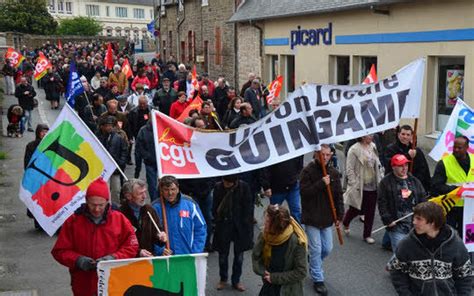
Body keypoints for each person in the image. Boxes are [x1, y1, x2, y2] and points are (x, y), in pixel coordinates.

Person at [51, 178, 139, 296]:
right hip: (83, 284)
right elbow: (59, 251)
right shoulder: (73, 221)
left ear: (108, 202)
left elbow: (132, 245)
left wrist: (114, 258)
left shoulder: (119, 219)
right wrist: (78, 260)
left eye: (101, 205)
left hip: (113, 281)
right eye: (93, 205)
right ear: (86, 201)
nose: (97, 209)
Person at [388, 202, 472, 295]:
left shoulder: (455, 244)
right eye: (414, 218)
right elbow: (396, 270)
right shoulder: (407, 243)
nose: (414, 222)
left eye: (419, 219)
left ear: (432, 222)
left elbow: (465, 274)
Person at [300, 144, 344, 295]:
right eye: (322, 154)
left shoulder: (334, 173)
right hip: (312, 217)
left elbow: (338, 195)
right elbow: (305, 193)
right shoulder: (307, 171)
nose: (325, 157)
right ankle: (318, 279)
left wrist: (339, 216)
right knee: (317, 249)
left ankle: (313, 261)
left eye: (328, 155)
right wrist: (321, 184)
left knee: (327, 248)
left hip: (326, 217)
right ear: (316, 154)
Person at [252, 204, 308, 296]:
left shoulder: (297, 242)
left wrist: (274, 278)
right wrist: (262, 271)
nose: (264, 224)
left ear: (276, 227)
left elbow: (301, 272)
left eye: (267, 222)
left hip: (287, 289)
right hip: (269, 285)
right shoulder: (265, 235)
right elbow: (256, 256)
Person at [212, 175, 254, 292]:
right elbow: (215, 206)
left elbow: (248, 208)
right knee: (222, 256)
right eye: (224, 182)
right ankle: (223, 278)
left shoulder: (244, 187)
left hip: (239, 226)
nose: (225, 184)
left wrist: (246, 225)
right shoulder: (218, 187)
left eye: (228, 183)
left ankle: (236, 280)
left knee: (239, 257)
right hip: (223, 226)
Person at [377, 154, 427, 253]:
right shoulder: (385, 183)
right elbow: (382, 203)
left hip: (414, 226)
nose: (404, 168)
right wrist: (388, 219)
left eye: (406, 165)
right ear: (393, 167)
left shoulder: (414, 181)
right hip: (397, 226)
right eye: (400, 166)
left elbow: (422, 198)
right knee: (401, 254)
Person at [343, 135, 384, 244]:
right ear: (362, 136)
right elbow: (349, 168)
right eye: (368, 134)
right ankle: (346, 221)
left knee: (370, 211)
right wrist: (353, 182)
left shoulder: (373, 146)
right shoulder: (354, 149)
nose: (371, 136)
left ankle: (367, 235)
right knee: (356, 209)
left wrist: (381, 175)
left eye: (372, 134)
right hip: (359, 185)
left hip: (372, 184)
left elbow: (377, 163)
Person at [153, 175, 207, 255]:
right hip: (165, 259)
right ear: (161, 190)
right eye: (166, 190)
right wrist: (159, 250)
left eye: (173, 189)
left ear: (178, 189)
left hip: (187, 257)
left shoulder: (190, 204)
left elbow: (201, 229)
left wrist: (196, 252)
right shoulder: (154, 208)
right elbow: (148, 234)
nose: (170, 193)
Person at [431, 135, 474, 237]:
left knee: (469, 237)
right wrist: (457, 190)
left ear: (467, 147)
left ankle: (467, 253)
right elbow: (435, 186)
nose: (456, 150)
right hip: (451, 207)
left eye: (459, 148)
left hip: (470, 208)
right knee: (449, 236)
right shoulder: (444, 163)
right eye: (454, 147)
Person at [120, 179, 168, 257]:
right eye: (140, 194)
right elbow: (119, 242)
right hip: (128, 261)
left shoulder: (149, 210)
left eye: (145, 192)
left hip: (148, 260)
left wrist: (160, 237)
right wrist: (138, 252)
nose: (144, 196)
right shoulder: (120, 214)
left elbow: (157, 233)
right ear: (128, 196)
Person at [384, 125, 431, 192]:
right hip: (396, 187)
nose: (405, 137)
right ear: (398, 135)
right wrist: (407, 156)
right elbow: (390, 165)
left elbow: (424, 170)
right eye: (403, 134)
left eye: (408, 135)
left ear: (411, 136)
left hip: (414, 187)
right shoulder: (391, 149)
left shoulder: (416, 151)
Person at [95, 116, 128, 204]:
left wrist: (121, 162)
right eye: (107, 125)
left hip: (115, 168)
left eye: (111, 125)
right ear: (103, 126)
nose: (109, 127)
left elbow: (124, 150)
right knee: (105, 188)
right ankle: (107, 205)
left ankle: (115, 206)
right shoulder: (98, 137)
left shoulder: (118, 137)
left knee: (116, 189)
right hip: (103, 168)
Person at [262, 156, 304, 223]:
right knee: (275, 214)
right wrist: (266, 186)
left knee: (296, 212)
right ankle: (275, 232)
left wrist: (298, 176)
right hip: (276, 188)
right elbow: (264, 167)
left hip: (293, 185)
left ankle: (299, 232)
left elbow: (299, 159)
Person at [24, 124, 49, 229]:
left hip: (48, 178)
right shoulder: (31, 146)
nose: (45, 134)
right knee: (37, 200)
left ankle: (47, 221)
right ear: (38, 132)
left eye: (47, 132)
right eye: (43, 131)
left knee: (47, 200)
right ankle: (37, 222)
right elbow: (27, 162)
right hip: (36, 178)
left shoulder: (51, 145)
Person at [135, 121, 158, 201]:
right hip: (150, 162)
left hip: (162, 162)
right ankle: (154, 202)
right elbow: (139, 146)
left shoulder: (161, 128)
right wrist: (146, 156)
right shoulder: (143, 131)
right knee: (152, 185)